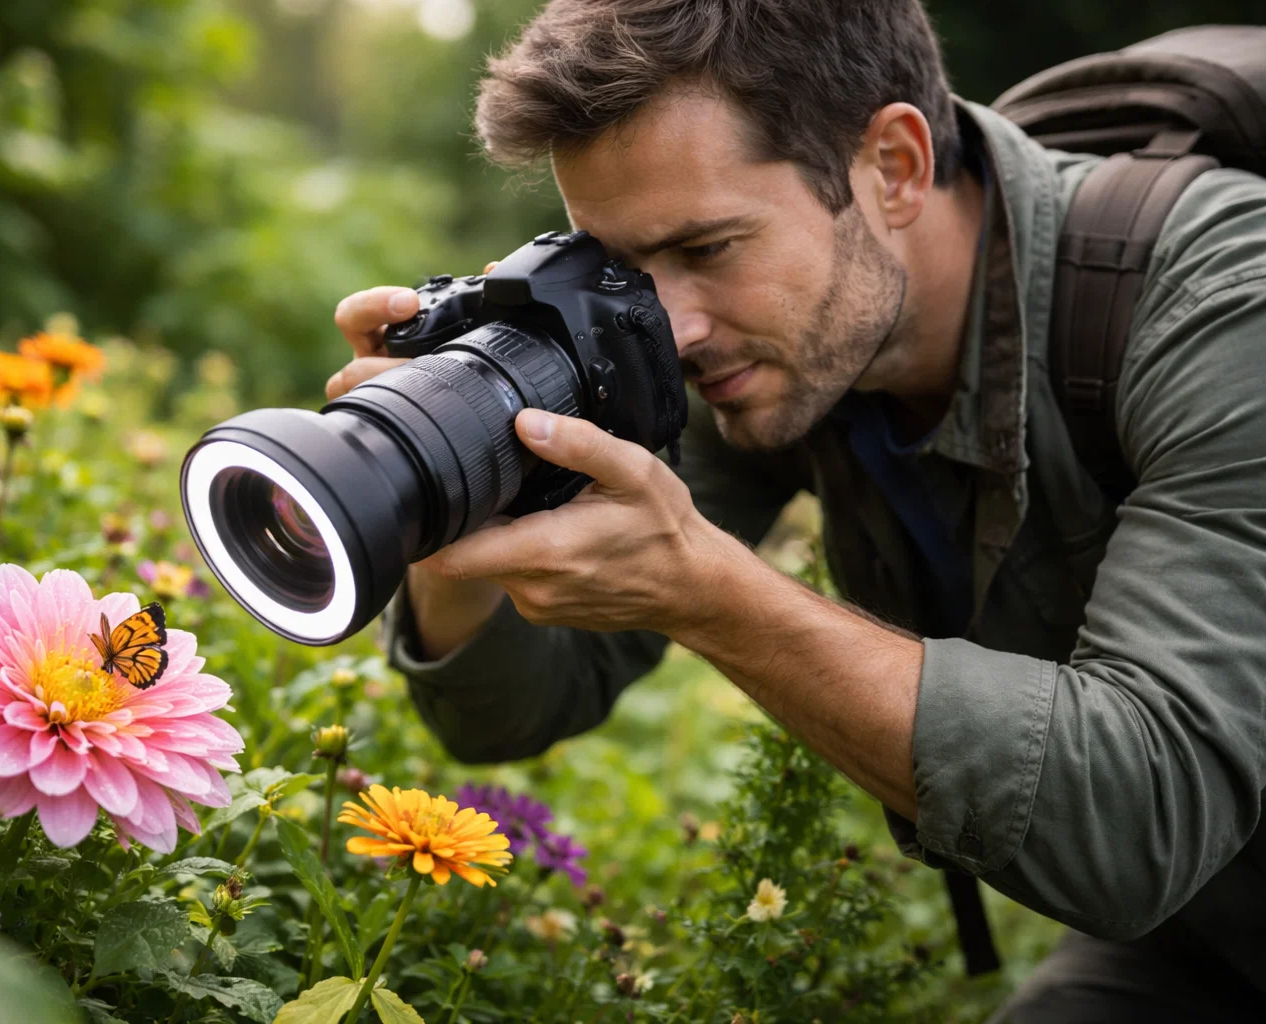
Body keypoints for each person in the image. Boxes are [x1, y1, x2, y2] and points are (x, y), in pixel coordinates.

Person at [327, 1, 1266, 1018]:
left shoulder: (1219, 304)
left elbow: (1140, 821)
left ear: (894, 167)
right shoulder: (781, 351)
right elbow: (520, 707)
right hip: (1204, 943)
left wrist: (712, 596)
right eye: (626, 269)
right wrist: (449, 490)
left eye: (709, 247)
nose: (672, 329)